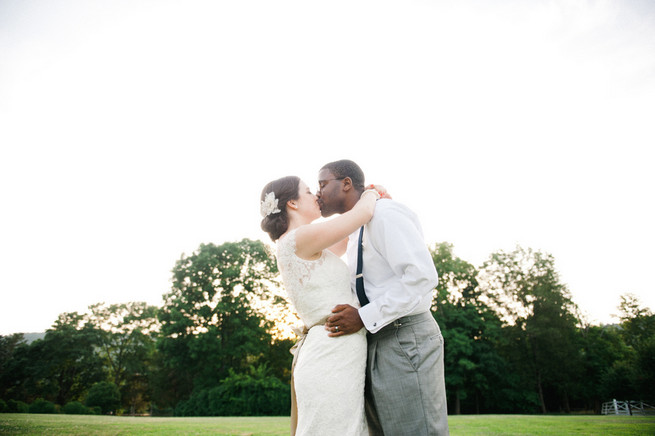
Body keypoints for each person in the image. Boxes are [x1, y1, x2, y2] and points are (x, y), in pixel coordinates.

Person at [318, 159, 449, 436]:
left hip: (405, 337)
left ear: (346, 184)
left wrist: (364, 316)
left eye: (322, 184)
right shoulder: (354, 228)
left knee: (417, 430)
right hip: (375, 339)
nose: (318, 193)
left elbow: (422, 276)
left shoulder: (386, 214)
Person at [260, 175, 385, 436]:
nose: (316, 195)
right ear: (292, 203)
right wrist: (373, 192)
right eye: (307, 191)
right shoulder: (299, 238)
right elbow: (360, 214)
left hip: (336, 350)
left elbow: (351, 233)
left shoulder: (304, 242)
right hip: (330, 354)